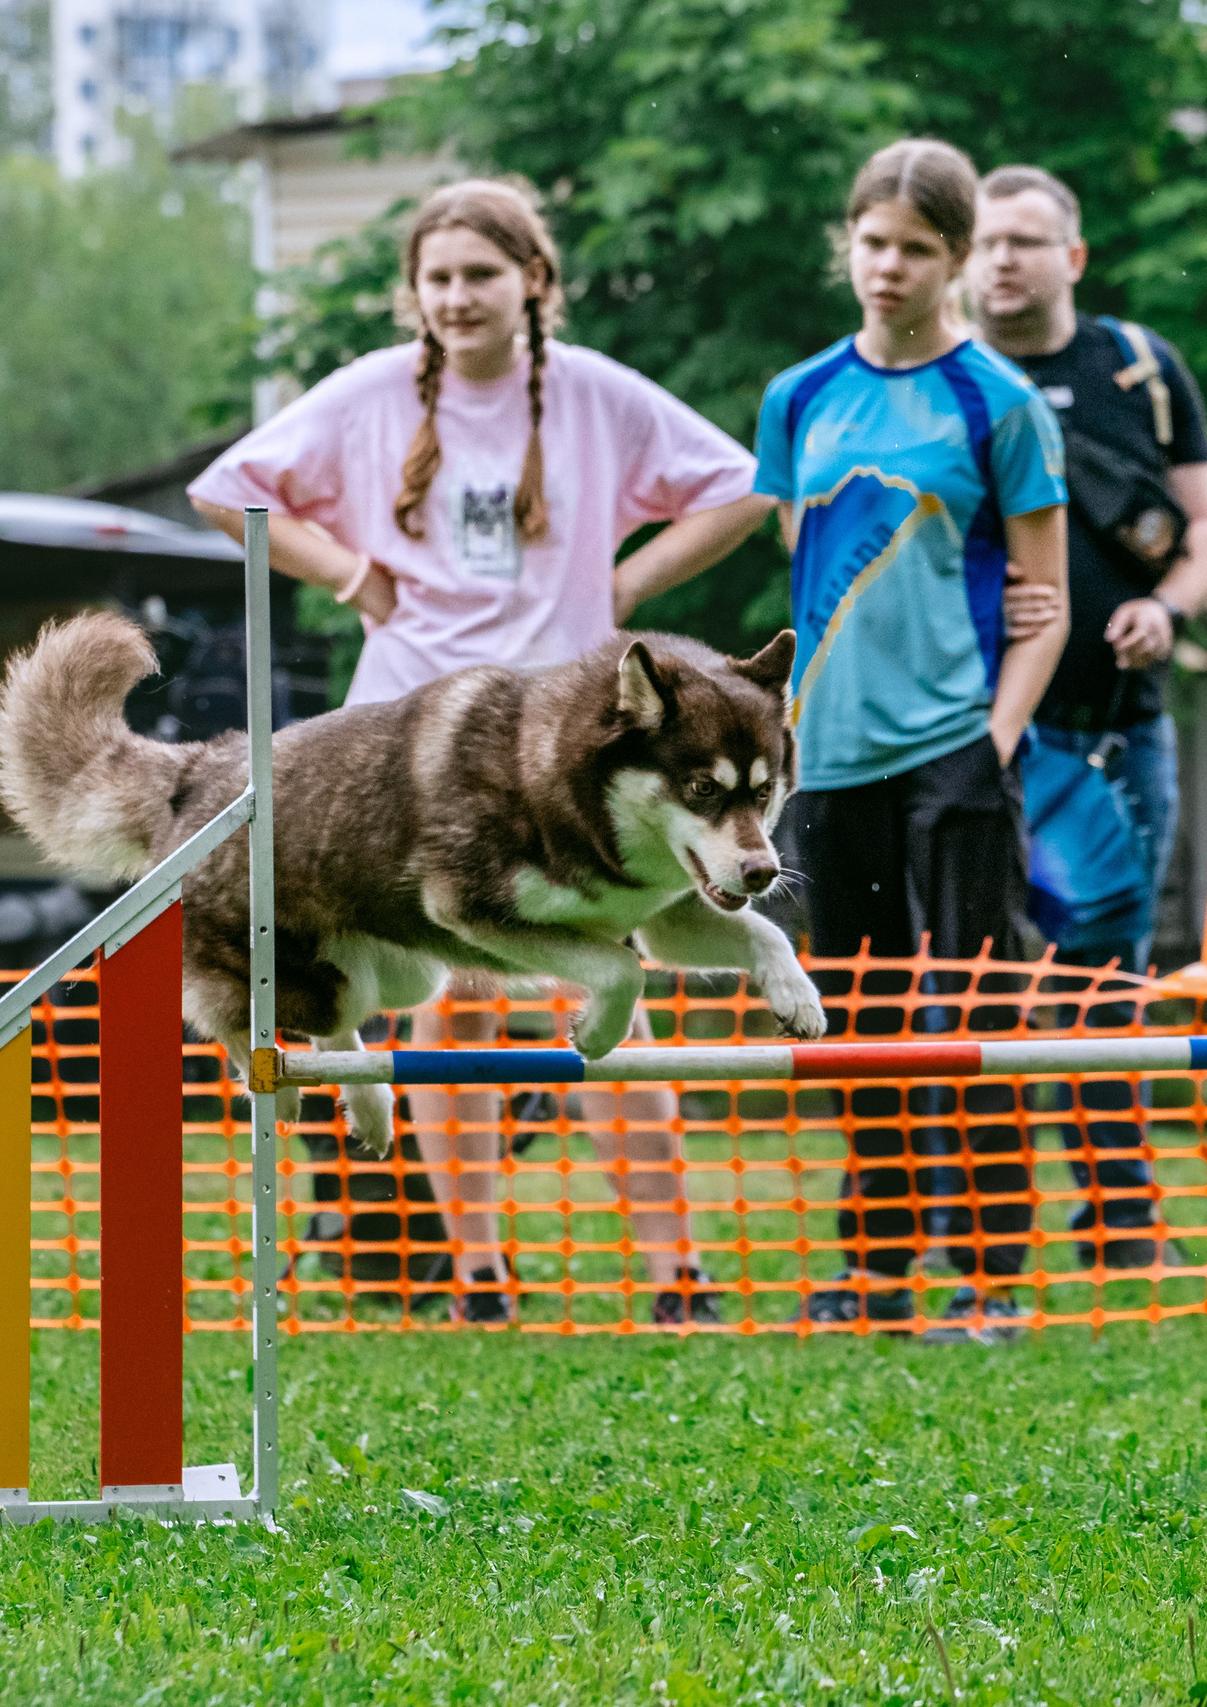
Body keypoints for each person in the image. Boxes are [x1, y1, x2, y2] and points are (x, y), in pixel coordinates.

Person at [189, 178, 775, 1325]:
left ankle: (673, 1272)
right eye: (437, 279)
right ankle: (477, 1270)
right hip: (408, 734)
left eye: (480, 276)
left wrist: (632, 583)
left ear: (533, 283)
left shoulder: (595, 394)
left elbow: (743, 484)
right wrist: (352, 574)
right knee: (446, 1001)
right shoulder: (367, 395)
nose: (456, 297)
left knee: (625, 988)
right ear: (415, 293)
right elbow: (229, 490)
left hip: (560, 735)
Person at [752, 138, 1071, 1337]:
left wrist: (992, 738)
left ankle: (989, 1279)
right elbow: (805, 557)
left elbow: (1047, 604)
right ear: (848, 242)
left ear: (954, 258)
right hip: (827, 758)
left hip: (956, 743)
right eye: (870, 242)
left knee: (973, 1011)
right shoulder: (799, 396)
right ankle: (875, 1268)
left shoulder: (1000, 403)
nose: (887, 267)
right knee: (863, 1019)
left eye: (916, 249)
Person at [967, 163, 1207, 1275]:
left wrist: (1164, 609)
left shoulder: (1139, 368)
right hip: (972, 735)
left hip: (1112, 733)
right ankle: (982, 1219)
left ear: (1070, 258)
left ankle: (1119, 1214)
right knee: (968, 970)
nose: (1004, 261)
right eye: (987, 243)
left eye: (1026, 241)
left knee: (1098, 979)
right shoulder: (947, 374)